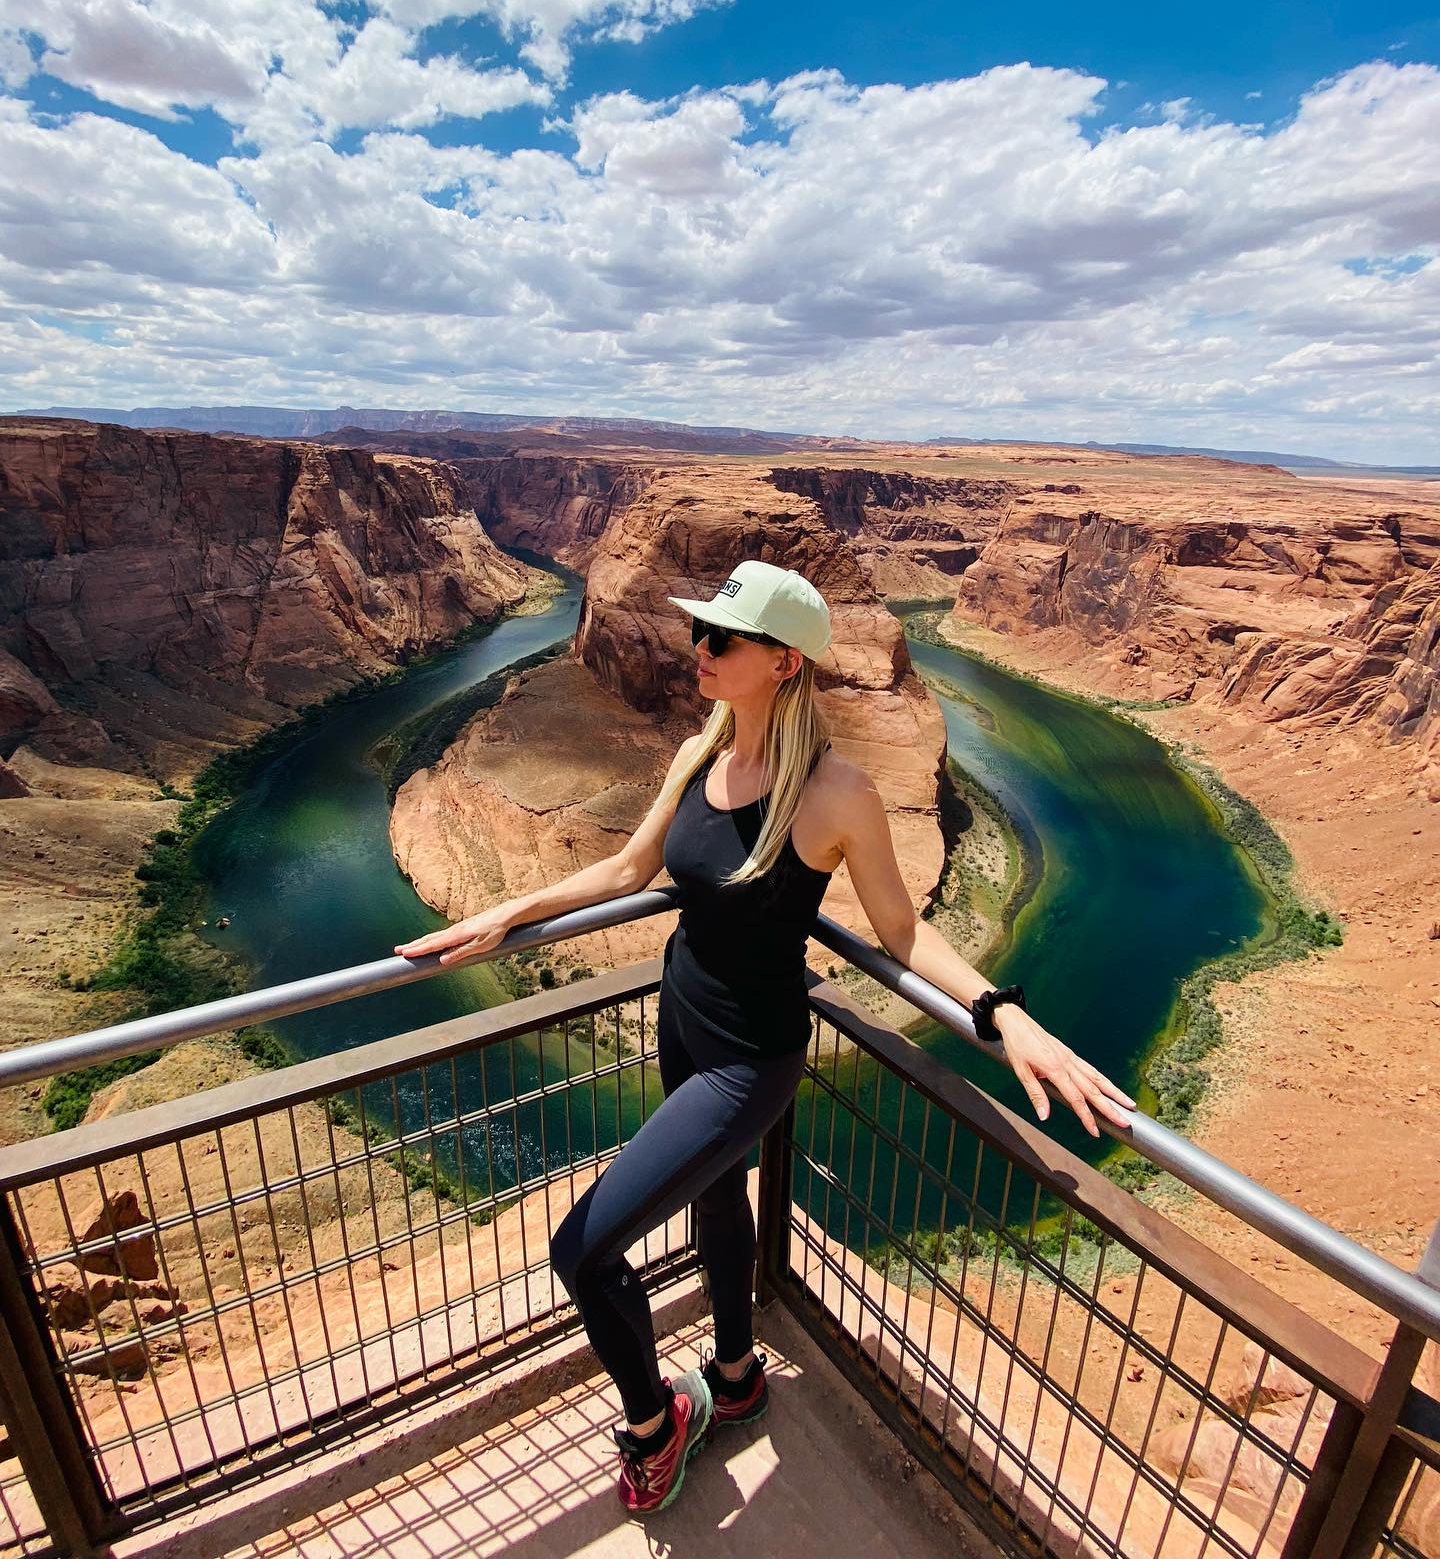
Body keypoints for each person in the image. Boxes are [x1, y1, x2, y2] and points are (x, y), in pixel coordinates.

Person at [394, 559, 1133, 1517]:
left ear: (783, 663)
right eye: (700, 632)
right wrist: (502, 915)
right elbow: (627, 869)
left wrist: (1006, 1012)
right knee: (713, 1200)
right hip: (682, 1020)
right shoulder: (701, 751)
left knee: (580, 1252)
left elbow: (901, 932)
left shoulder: (837, 792)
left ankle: (658, 1422)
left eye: (721, 639)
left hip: (750, 1060)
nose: (696, 649)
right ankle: (737, 1374)